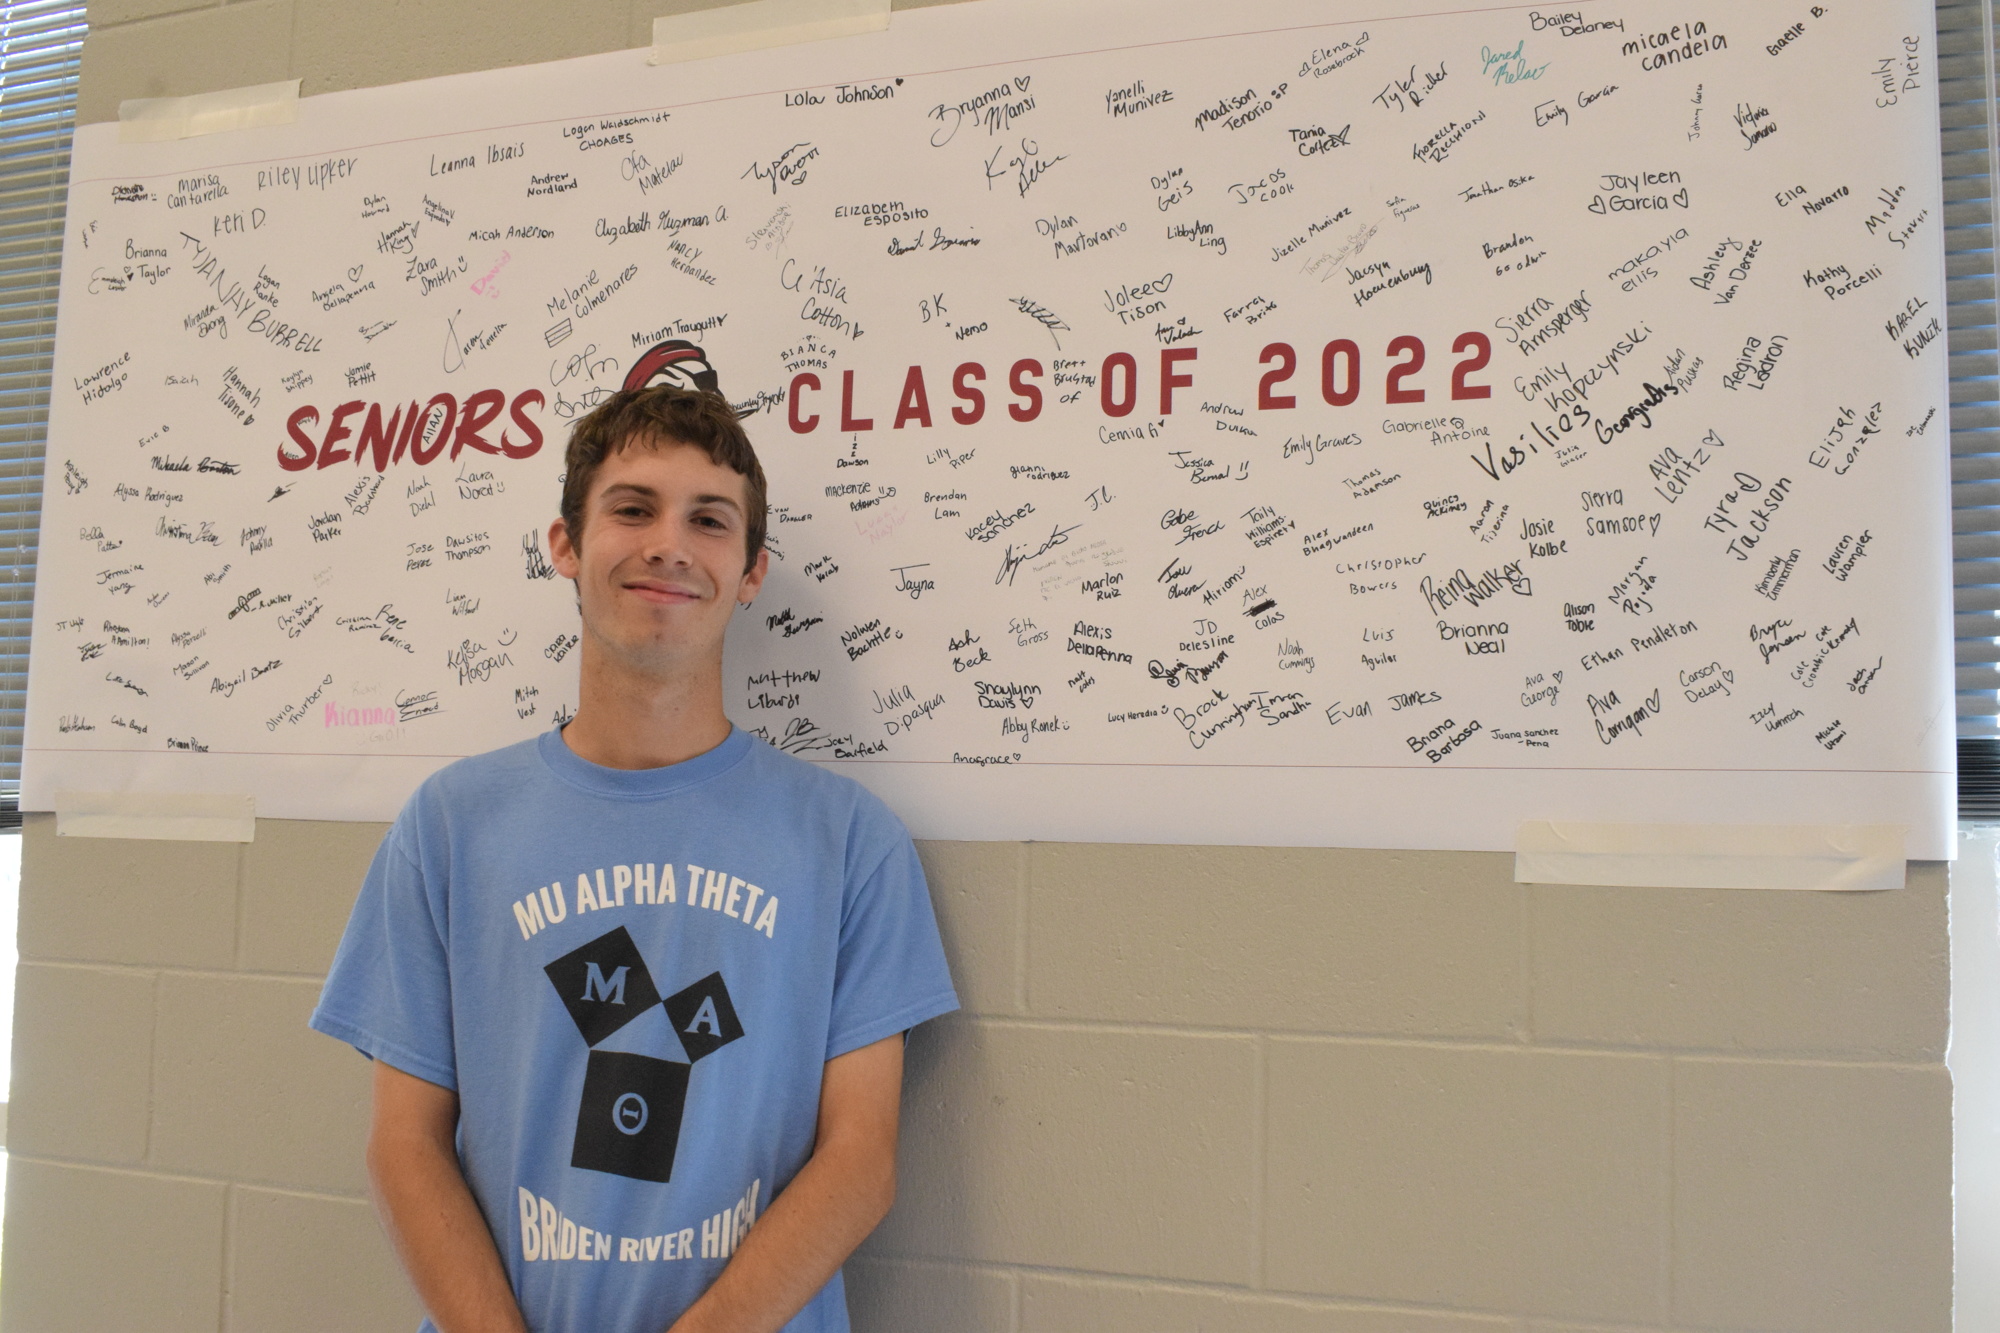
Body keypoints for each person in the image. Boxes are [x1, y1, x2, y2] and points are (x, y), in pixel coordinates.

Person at [310, 383, 958, 1333]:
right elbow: (404, 1145)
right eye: (632, 508)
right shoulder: (450, 825)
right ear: (566, 545)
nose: (669, 544)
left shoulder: (851, 842)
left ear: (749, 572)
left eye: (708, 519)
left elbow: (860, 1162)